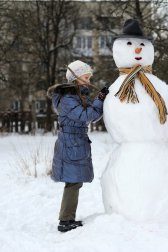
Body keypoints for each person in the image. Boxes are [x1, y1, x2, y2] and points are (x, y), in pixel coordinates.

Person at [47, 60, 109, 232]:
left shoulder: (77, 96)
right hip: (71, 143)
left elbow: (93, 115)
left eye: (90, 77)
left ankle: (67, 219)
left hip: (75, 142)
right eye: (86, 77)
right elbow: (86, 115)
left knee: (75, 182)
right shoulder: (68, 99)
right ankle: (65, 221)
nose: (89, 80)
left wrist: (99, 100)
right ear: (75, 78)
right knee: (73, 182)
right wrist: (99, 100)